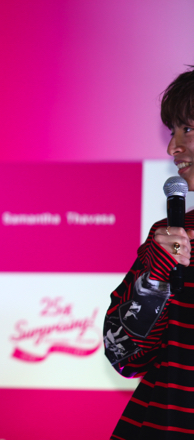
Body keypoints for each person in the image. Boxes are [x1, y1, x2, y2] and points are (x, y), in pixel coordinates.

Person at [103, 67, 194, 439]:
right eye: (172, 132)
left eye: (187, 129)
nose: (173, 148)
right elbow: (123, 355)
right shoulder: (171, 235)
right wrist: (156, 280)